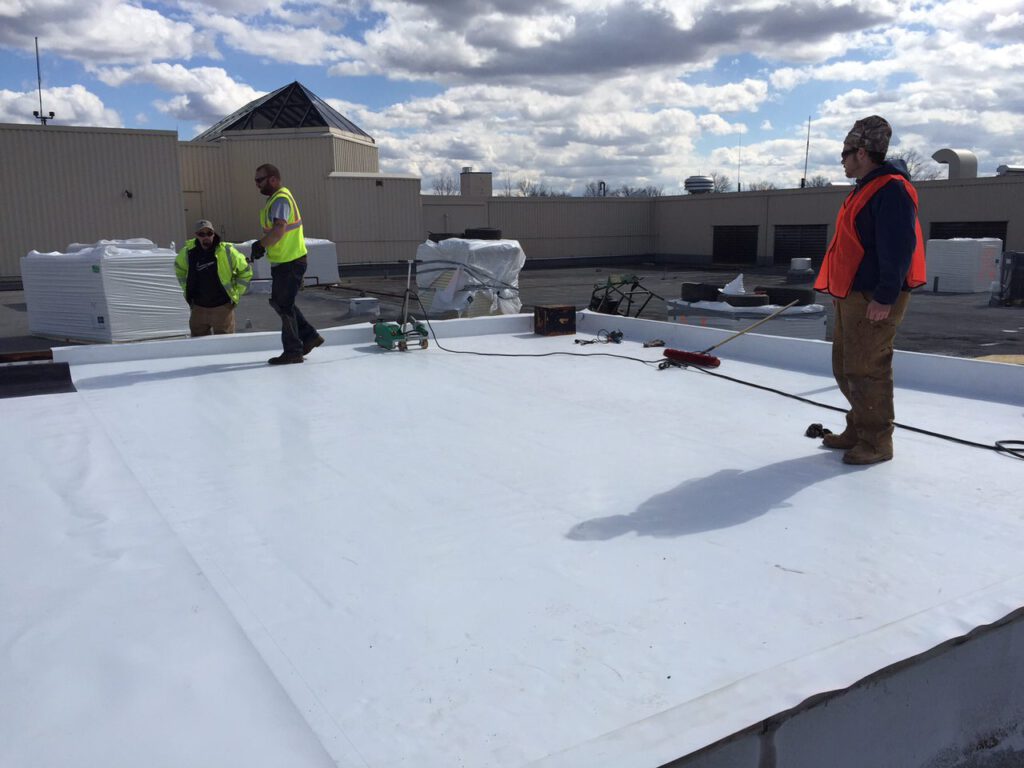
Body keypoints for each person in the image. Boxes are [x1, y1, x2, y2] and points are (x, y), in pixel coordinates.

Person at [814, 115, 926, 465]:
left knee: (868, 368)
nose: (843, 161)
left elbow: (899, 245)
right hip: (853, 294)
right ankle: (858, 428)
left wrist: (885, 296)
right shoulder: (865, 187)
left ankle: (877, 442)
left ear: (861, 152)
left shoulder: (891, 188)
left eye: (844, 155)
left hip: (873, 297)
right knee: (846, 366)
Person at [250, 164, 324, 365]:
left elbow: (278, 230)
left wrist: (260, 245)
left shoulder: (281, 199)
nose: (257, 184)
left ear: (273, 179)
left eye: (260, 180)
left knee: (283, 305)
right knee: (282, 303)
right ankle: (309, 336)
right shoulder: (275, 200)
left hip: (290, 262)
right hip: (286, 261)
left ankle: (293, 350)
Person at [175, 220, 252, 336]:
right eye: (202, 234)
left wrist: (236, 292)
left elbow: (245, 270)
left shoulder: (226, 251)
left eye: (209, 233)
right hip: (199, 309)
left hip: (222, 308)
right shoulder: (188, 253)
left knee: (225, 346)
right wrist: (186, 288)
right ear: (196, 235)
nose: (206, 237)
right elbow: (179, 269)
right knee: (199, 347)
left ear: (214, 234)